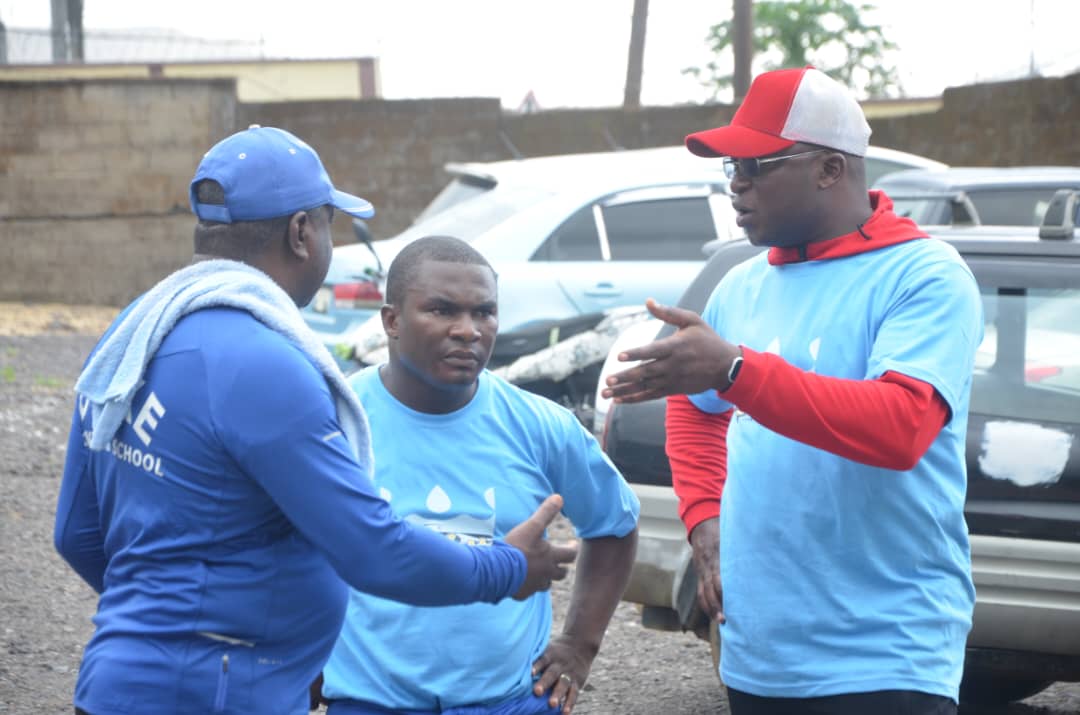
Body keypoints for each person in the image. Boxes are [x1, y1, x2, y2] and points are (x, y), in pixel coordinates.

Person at [53, 126, 576, 715]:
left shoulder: (136, 335)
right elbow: (373, 552)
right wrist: (506, 567)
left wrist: (160, 628)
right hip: (221, 690)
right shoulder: (262, 363)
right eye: (329, 222)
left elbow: (76, 532)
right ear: (302, 232)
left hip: (117, 683)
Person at [602, 66, 982, 715]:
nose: (736, 187)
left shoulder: (924, 275)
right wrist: (703, 517)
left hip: (886, 654)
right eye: (729, 170)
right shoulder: (742, 285)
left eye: (755, 166)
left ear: (831, 169)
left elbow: (901, 426)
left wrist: (735, 371)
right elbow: (695, 409)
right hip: (761, 654)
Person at [317, 236, 640, 715]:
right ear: (391, 321)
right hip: (370, 703)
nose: (468, 331)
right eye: (442, 311)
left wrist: (579, 646)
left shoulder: (539, 425)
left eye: (484, 312)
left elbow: (614, 525)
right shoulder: (335, 419)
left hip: (511, 702)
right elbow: (276, 542)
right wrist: (300, 653)